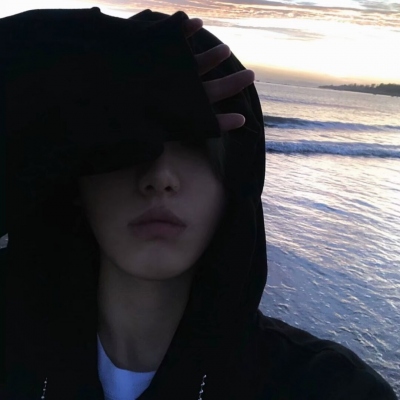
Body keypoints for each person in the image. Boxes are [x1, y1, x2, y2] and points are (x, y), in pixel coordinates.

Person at [0, 7, 397, 400]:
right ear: (75, 172)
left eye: (195, 143)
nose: (161, 178)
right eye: (128, 145)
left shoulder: (329, 387)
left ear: (236, 178)